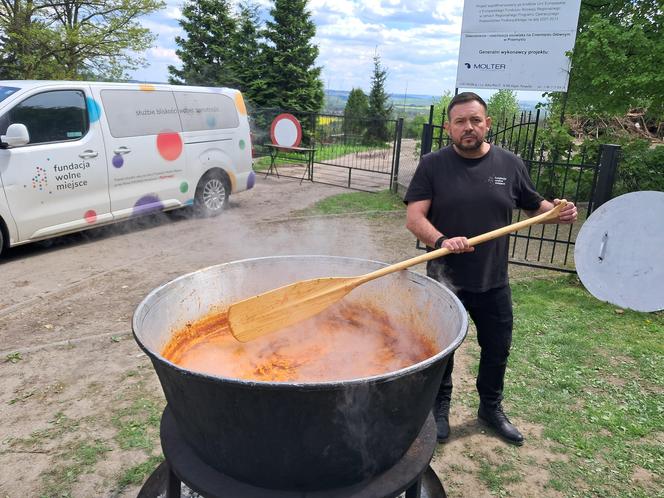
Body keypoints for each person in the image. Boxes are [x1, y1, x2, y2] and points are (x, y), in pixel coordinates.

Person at [404, 92, 577, 446]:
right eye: (460, 122)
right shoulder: (432, 165)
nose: (468, 127)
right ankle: (439, 408)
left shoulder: (510, 164)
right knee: (441, 350)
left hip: (493, 279)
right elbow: (414, 218)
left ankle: (490, 407)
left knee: (497, 348)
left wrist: (557, 211)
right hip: (444, 280)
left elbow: (535, 207)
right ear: (449, 127)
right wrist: (441, 241)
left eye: (475, 120)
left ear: (487, 123)